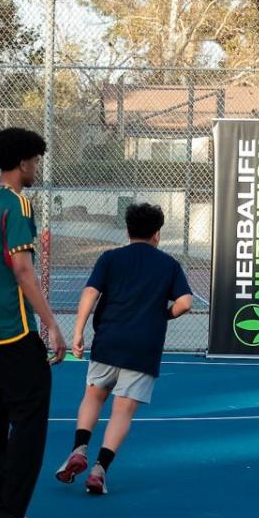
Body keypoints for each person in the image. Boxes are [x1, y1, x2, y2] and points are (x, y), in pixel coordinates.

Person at [0, 128, 67, 518]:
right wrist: (52, 324)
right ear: (23, 161)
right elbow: (22, 269)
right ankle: (11, 516)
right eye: (36, 160)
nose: (37, 167)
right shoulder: (17, 203)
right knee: (29, 416)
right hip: (13, 328)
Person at [53, 202, 193, 496]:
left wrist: (77, 331)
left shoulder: (110, 258)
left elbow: (91, 292)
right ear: (157, 234)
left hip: (109, 339)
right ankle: (100, 469)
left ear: (127, 231)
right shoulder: (169, 265)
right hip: (144, 347)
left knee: (93, 395)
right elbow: (185, 303)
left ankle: (79, 448)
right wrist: (163, 315)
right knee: (122, 411)